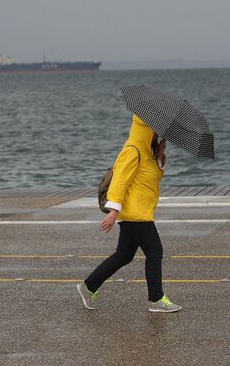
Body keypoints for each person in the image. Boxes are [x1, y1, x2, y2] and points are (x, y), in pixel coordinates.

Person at [77, 114, 181, 313]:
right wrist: (113, 211)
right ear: (145, 128)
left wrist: (160, 157)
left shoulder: (147, 152)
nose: (159, 133)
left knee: (124, 255)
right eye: (156, 130)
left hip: (140, 211)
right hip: (135, 214)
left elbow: (149, 179)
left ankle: (88, 286)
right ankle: (156, 299)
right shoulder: (132, 150)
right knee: (155, 252)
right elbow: (119, 181)